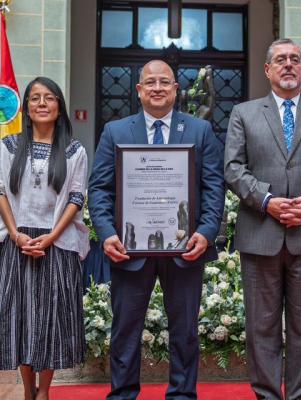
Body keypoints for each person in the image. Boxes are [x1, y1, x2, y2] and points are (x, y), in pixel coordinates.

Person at [88, 60, 224, 400]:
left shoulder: (199, 131)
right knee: (125, 330)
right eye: (150, 82)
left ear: (177, 89)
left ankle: (181, 394)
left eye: (165, 82)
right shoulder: (115, 131)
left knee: (185, 331)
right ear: (139, 90)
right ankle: (123, 394)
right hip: (129, 249)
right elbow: (99, 189)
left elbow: (213, 188)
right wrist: (107, 234)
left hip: (185, 248)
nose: (158, 87)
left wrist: (206, 232)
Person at [224, 38, 301, 399]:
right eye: (281, 59)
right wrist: (267, 201)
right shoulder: (244, 113)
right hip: (260, 235)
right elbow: (233, 168)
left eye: (295, 59)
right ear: (268, 70)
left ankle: (299, 395)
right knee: (261, 327)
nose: (289, 65)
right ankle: (266, 394)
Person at [0, 77, 90, 400]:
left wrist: (52, 236)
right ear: (26, 108)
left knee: (50, 320)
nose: (42, 104)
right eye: (35, 98)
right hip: (18, 242)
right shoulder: (9, 145)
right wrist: (15, 234)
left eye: (49, 98)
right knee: (21, 319)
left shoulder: (74, 150)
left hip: (56, 244)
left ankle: (45, 390)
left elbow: (76, 198)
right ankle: (29, 391)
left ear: (59, 107)